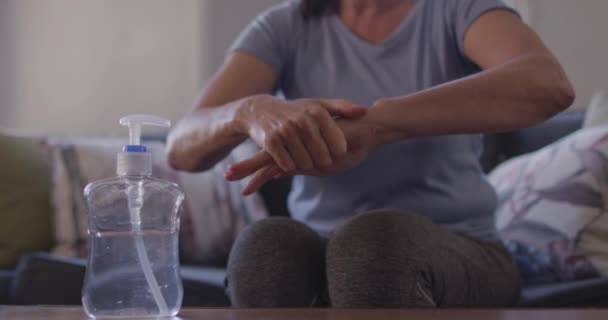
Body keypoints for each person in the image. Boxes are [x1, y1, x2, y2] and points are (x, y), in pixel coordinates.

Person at [167, 0, 575, 308]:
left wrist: (376, 125)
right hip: (326, 248)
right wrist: (247, 111)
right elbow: (182, 148)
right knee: (265, 246)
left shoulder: (458, 9)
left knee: (372, 242)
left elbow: (548, 85)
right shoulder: (286, 26)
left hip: (464, 249)